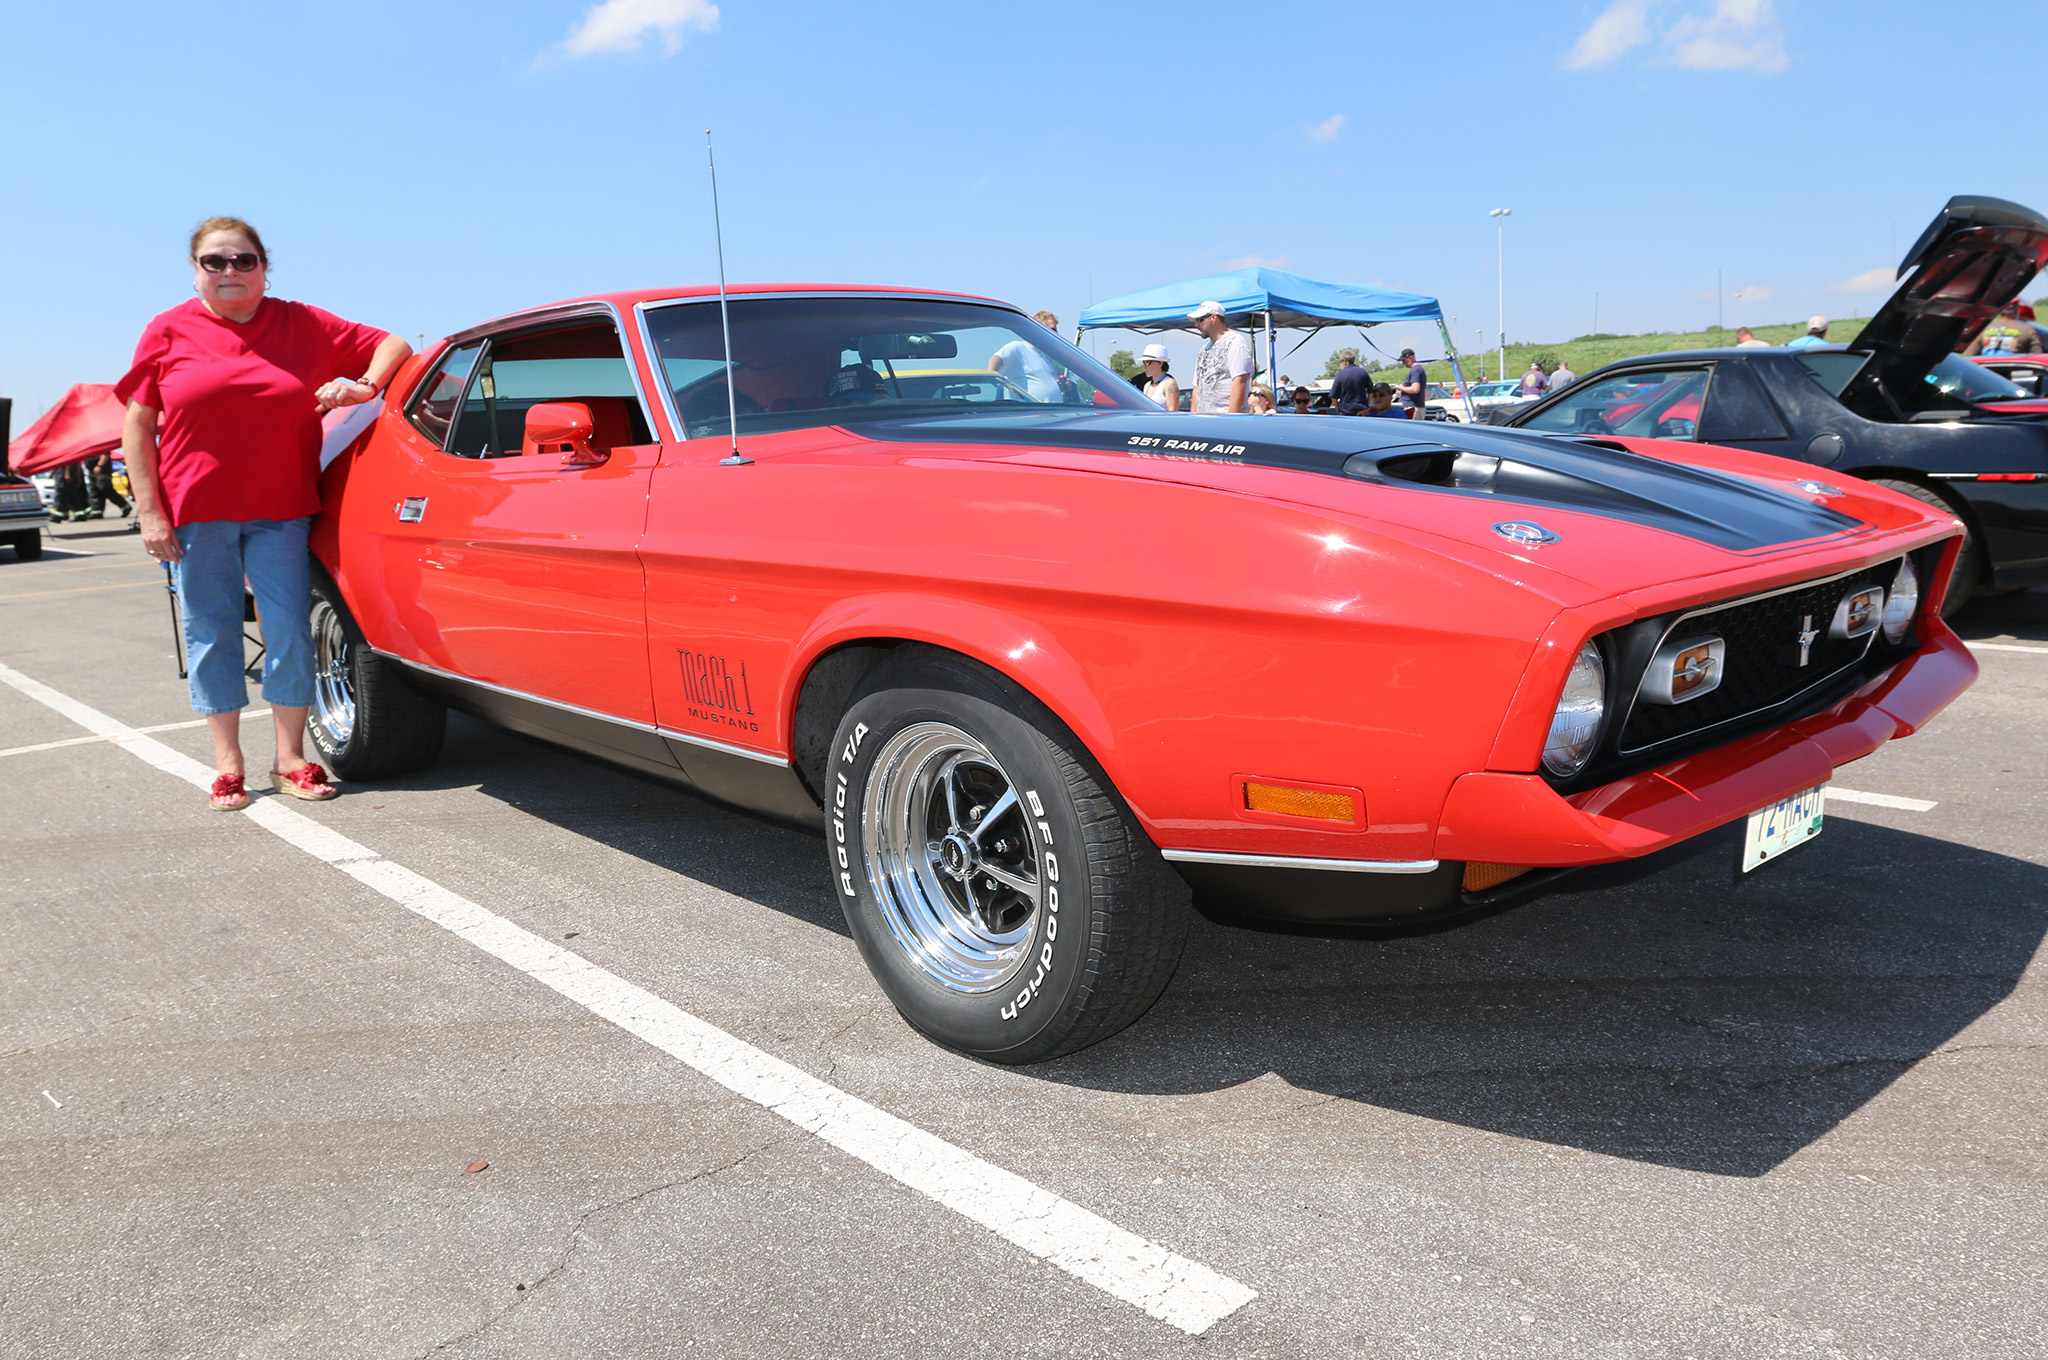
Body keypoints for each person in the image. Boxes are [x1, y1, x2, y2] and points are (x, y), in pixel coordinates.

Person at [119, 216, 412, 811]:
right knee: (211, 633)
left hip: (282, 508)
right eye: (215, 262)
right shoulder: (167, 330)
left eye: (243, 261)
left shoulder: (301, 322)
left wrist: (364, 384)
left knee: (288, 634)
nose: (230, 272)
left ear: (264, 267)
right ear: (196, 272)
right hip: (196, 512)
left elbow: (393, 344)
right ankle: (228, 763)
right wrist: (149, 512)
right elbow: (138, 425)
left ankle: (290, 759)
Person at [988, 309, 1070, 402]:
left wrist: (1059, 387)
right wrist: (1007, 386)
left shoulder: (1044, 357)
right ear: (1037, 328)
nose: (1055, 333)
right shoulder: (1017, 347)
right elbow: (994, 362)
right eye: (1052, 330)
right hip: (1030, 412)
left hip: (1051, 412)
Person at [1188, 301, 1254, 413]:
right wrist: (1193, 418)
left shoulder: (1236, 342)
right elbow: (1196, 387)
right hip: (1203, 421)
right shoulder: (1203, 350)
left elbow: (1240, 381)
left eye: (1200, 320)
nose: (1196, 325)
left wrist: (1231, 419)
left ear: (1213, 318)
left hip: (1224, 421)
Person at [1964, 301, 2044, 356]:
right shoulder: (2028, 330)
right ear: (2017, 312)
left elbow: (1970, 356)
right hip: (2013, 375)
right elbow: (2037, 355)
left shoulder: (1985, 330)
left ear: (1999, 312)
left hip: (1986, 375)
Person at [1138, 343, 1182, 411]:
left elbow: (1173, 412)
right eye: (1143, 362)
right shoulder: (1147, 385)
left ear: (1160, 363)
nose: (1144, 366)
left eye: (1147, 362)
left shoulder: (1169, 384)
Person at [88, 451, 132, 519]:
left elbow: (104, 454)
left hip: (102, 471)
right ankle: (97, 512)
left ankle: (125, 506)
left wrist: (99, 466)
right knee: (95, 492)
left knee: (106, 489)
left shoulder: (98, 443)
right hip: (92, 471)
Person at [1329, 347, 1371, 415]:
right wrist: (1366, 407)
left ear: (1345, 361)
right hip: (1362, 413)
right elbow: (1371, 392)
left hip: (1345, 413)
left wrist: (1338, 410)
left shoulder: (1340, 374)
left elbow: (1333, 396)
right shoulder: (1363, 372)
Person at [1396, 348, 1428, 416]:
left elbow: (1415, 389)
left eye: (1404, 360)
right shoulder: (1417, 369)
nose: (1403, 363)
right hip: (1415, 407)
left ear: (1410, 357)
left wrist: (1401, 388)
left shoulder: (1415, 370)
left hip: (1413, 408)